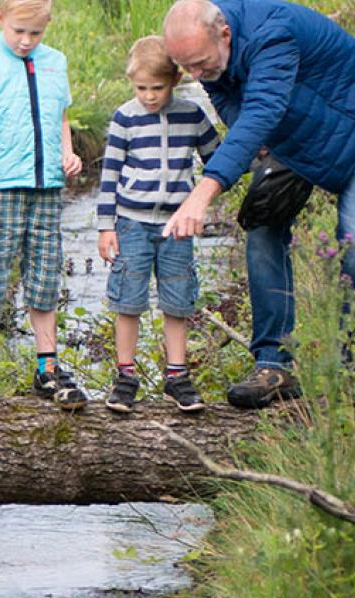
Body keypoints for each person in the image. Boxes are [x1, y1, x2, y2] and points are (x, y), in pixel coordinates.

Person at [161, 0, 355, 408]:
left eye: (197, 63)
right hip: (288, 122)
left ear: (224, 34)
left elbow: (262, 109)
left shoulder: (272, 33)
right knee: (263, 226)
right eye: (185, 68)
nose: (194, 75)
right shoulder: (211, 52)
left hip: (352, 117)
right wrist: (255, 138)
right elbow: (229, 97)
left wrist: (205, 190)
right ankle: (273, 364)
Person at [0, 0, 86, 409]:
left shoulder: (55, 62)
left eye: (36, 33)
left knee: (45, 274)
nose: (27, 41)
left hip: (47, 187)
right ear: (0, 20)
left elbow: (60, 117)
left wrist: (69, 152)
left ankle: (47, 367)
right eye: (19, 32)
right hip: (2, 186)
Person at [96, 36, 221, 414]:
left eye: (158, 88)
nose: (149, 96)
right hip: (131, 223)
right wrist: (105, 227)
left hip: (176, 226)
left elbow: (216, 159)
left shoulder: (192, 114)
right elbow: (109, 175)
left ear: (176, 80)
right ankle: (125, 376)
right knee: (128, 299)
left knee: (178, 299)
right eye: (141, 88)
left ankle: (177, 376)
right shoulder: (125, 118)